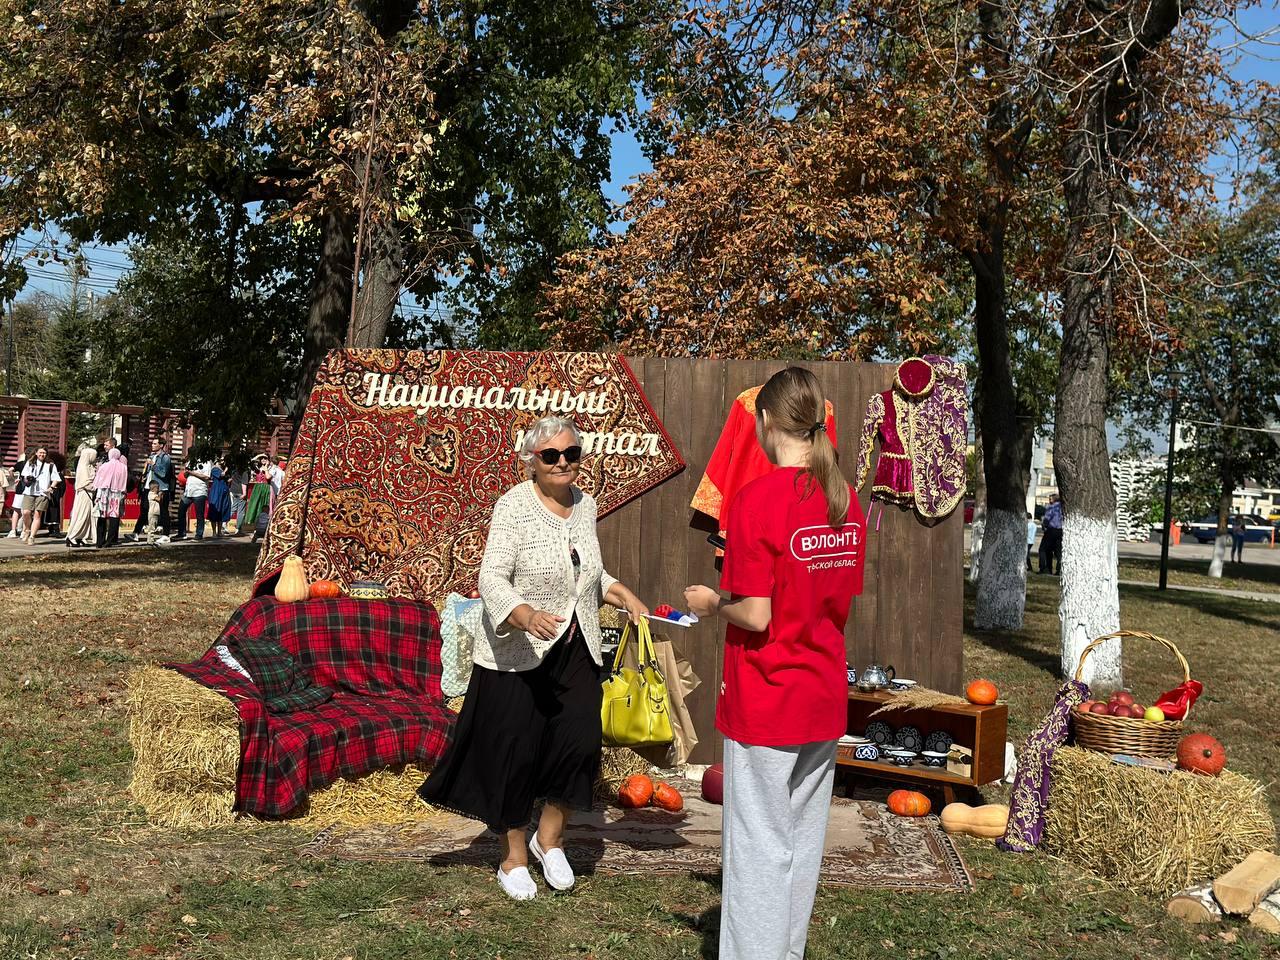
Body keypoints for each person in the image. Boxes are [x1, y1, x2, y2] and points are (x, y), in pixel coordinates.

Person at [419, 415, 650, 902]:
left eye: (571, 454)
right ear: (532, 461)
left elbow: (588, 572)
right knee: (515, 753)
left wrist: (622, 593)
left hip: (576, 647)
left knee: (578, 745)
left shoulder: (585, 507)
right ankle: (514, 857)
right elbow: (491, 578)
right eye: (551, 456)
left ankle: (551, 841)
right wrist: (522, 613)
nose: (563, 462)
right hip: (517, 653)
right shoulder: (514, 507)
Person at [683, 367, 866, 960]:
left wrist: (712, 604)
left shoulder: (756, 500)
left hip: (766, 698)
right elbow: (834, 601)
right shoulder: (843, 500)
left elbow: (756, 615)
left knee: (759, 845)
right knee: (800, 842)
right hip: (820, 697)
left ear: (764, 422)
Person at [19, 448, 62, 545]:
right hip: (29, 491)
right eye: (40, 452)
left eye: (44, 453)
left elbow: (56, 479)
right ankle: (27, 529)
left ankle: (32, 536)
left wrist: (51, 487)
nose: (42, 454)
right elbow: (24, 475)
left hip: (43, 493)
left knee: (37, 514)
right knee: (26, 512)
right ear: (36, 453)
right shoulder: (30, 463)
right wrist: (28, 479)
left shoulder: (50, 465)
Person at [92, 448, 128, 547]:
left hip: (104, 493)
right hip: (117, 494)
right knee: (114, 517)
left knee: (102, 517)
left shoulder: (104, 466)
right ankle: (110, 541)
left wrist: (98, 496)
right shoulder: (123, 467)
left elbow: (99, 481)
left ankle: (100, 541)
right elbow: (124, 482)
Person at [65, 443, 99, 547]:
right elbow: (85, 483)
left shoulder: (89, 466)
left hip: (88, 494)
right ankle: (73, 536)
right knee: (82, 515)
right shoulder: (83, 467)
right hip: (84, 494)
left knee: (88, 517)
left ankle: (82, 536)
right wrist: (95, 486)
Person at [174, 456, 213, 540]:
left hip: (199, 491)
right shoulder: (191, 461)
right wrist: (186, 473)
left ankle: (199, 534)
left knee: (199, 514)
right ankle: (181, 533)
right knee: (181, 510)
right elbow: (186, 474)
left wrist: (192, 473)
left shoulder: (206, 462)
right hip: (188, 491)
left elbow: (206, 477)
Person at [206, 462, 231, 538]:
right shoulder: (215, 469)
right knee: (215, 510)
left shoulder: (223, 469)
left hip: (223, 492)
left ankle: (219, 532)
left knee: (222, 511)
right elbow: (221, 475)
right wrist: (226, 470)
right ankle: (214, 532)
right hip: (216, 492)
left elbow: (227, 479)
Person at [1040, 493, 1063, 575]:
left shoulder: (1051, 507)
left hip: (1051, 530)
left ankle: (1045, 568)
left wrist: (1044, 525)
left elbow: (1047, 519)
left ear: (1054, 499)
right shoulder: (1063, 507)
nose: (1049, 501)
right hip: (1060, 531)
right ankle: (1059, 569)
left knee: (1043, 549)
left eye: (1050, 499)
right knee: (1058, 551)